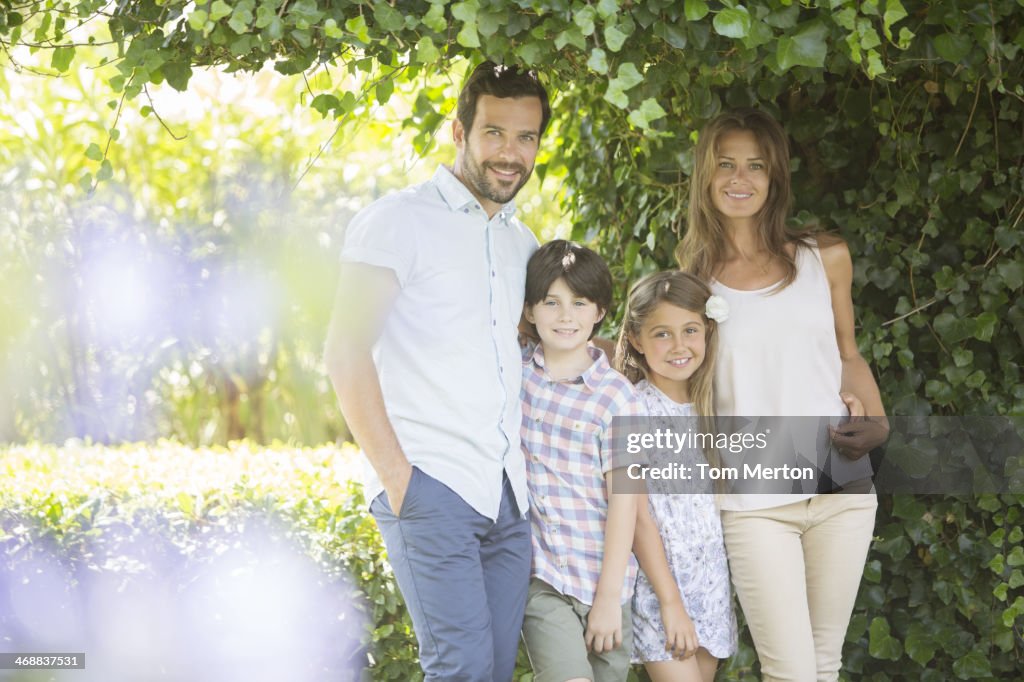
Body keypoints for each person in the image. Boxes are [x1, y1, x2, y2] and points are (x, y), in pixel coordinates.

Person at [323, 61, 551, 682]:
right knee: (462, 670)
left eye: (526, 137)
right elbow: (344, 352)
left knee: (495, 670)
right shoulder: (397, 221)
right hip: (433, 486)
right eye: (496, 133)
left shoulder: (521, 243)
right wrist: (402, 483)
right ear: (459, 131)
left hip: (507, 495)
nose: (511, 153)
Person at [674, 108, 888, 681]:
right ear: (706, 175)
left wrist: (881, 423)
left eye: (755, 166)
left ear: (774, 179)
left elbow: (847, 355)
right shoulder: (692, 279)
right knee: (791, 672)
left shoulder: (825, 257)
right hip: (753, 503)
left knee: (823, 665)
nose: (739, 178)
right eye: (726, 165)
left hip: (841, 488)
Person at [518, 240, 640, 682]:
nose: (566, 316)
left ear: (600, 311)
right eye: (551, 302)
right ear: (530, 311)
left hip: (606, 583)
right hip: (543, 578)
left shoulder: (617, 397)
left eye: (579, 302)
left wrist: (608, 597)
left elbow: (625, 500)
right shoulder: (515, 377)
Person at [614, 270, 738, 682]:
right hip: (660, 589)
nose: (680, 346)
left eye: (690, 330)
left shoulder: (711, 406)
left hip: (711, 586)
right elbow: (638, 517)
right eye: (662, 334)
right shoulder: (632, 409)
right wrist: (670, 602)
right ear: (636, 339)